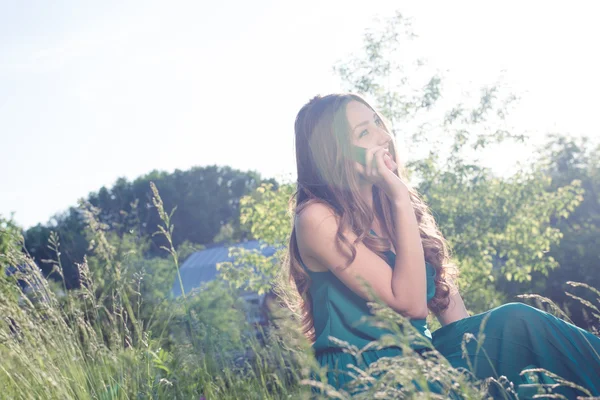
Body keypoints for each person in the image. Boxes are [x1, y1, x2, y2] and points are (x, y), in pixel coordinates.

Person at [287, 93, 600, 397]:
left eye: (378, 122)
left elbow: (463, 327)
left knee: (533, 377)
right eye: (365, 132)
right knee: (516, 320)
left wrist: (496, 364)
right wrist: (398, 194)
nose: (384, 136)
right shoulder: (317, 218)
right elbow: (409, 303)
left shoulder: (395, 211)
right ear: (335, 153)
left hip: (428, 364)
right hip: (365, 376)